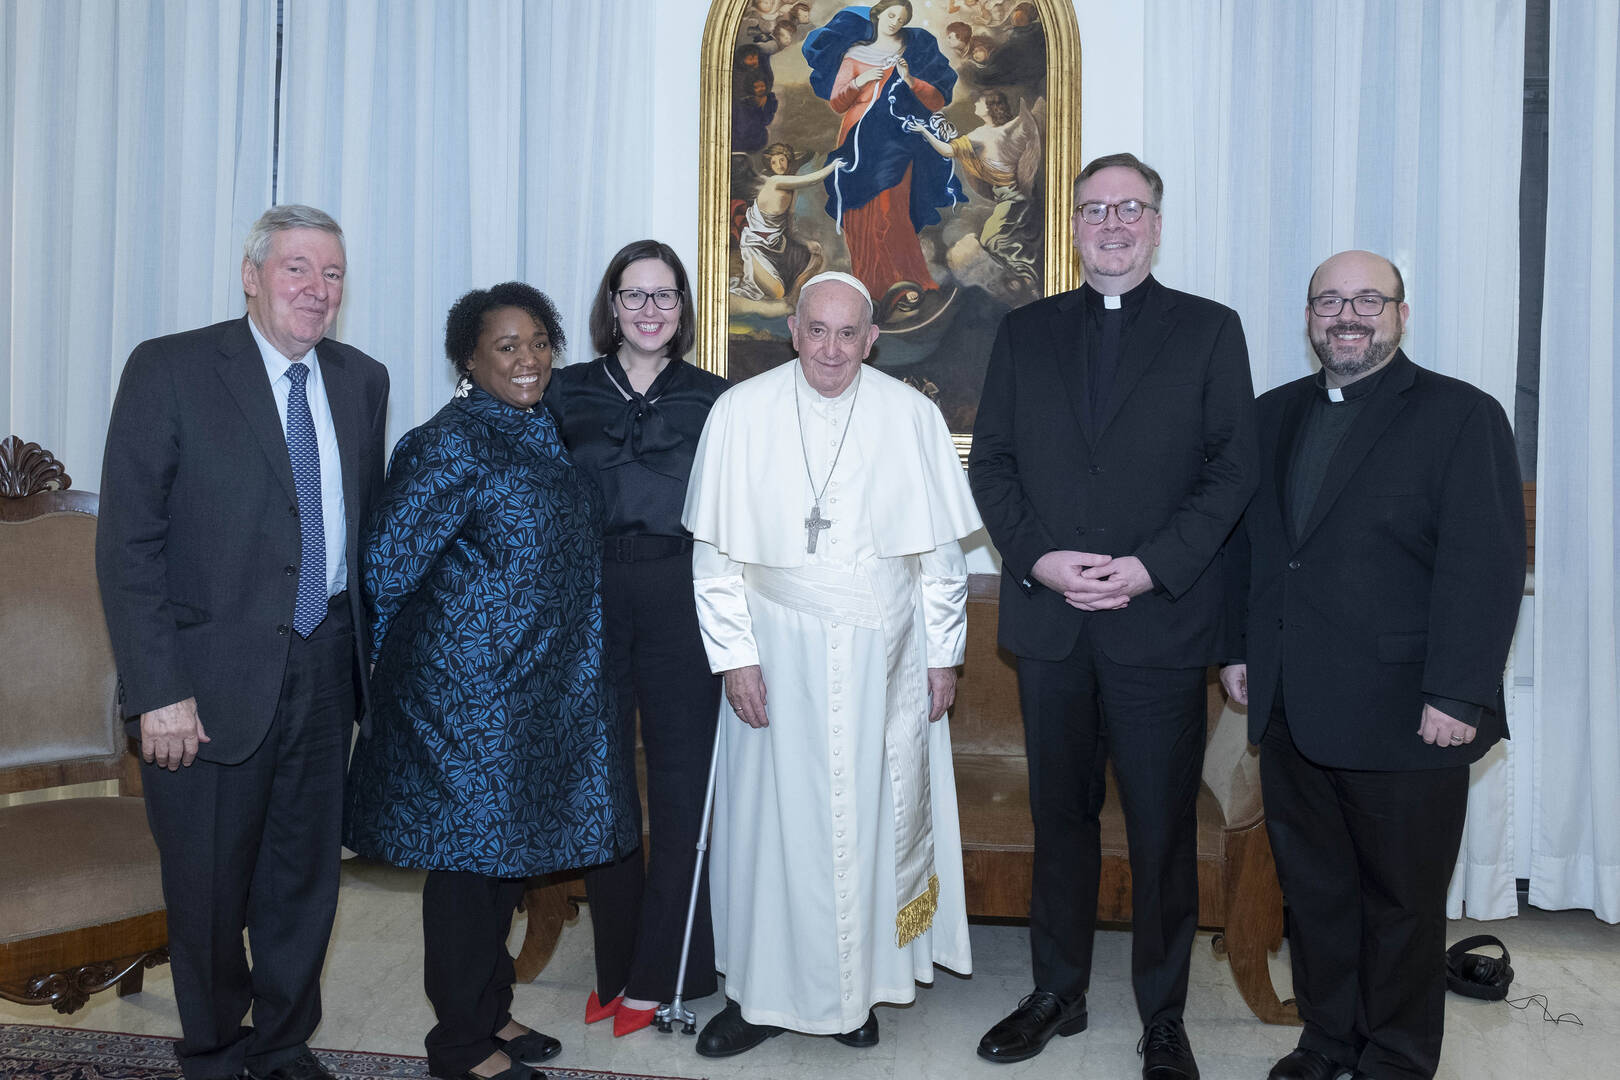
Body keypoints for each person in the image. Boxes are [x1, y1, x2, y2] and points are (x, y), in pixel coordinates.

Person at [967, 153, 1257, 1079]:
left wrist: (1147, 568)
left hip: (1156, 623)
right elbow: (995, 465)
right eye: (1096, 209)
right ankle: (1059, 991)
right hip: (1053, 624)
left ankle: (1163, 1016)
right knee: (1061, 816)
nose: (1114, 223)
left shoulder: (1212, 332)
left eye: (1131, 208)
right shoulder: (1025, 331)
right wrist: (1042, 560)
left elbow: (1231, 471)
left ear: (1159, 224)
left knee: (1163, 826)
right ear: (1075, 226)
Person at [95, 205, 389, 1080]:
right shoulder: (172, 369)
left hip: (326, 663)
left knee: (305, 880)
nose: (317, 289)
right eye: (298, 269)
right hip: (204, 679)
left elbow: (358, 531)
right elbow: (127, 545)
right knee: (211, 887)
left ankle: (284, 1042)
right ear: (252, 275)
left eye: (332, 274)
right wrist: (157, 688)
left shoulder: (361, 379)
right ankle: (216, 1050)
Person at [1221, 251, 1524, 1080]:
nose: (1346, 315)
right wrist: (1240, 649)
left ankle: (1394, 1058)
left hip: (1409, 709)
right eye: (1329, 301)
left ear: (1400, 313)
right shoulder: (1273, 412)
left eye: (1367, 300)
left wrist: (1458, 692)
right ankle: (1327, 1041)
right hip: (1292, 710)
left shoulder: (1462, 416)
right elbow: (1256, 551)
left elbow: (1486, 566)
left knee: (1401, 905)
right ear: (1309, 316)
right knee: (1317, 898)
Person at [682, 271, 982, 1057]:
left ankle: (861, 989)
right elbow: (714, 559)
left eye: (850, 334)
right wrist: (735, 658)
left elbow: (940, 557)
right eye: (818, 330)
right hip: (776, 653)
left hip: (887, 654)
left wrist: (943, 657)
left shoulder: (911, 416)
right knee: (770, 828)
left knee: (872, 823)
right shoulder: (740, 413)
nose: (832, 349)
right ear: (793, 328)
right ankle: (761, 996)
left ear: (873, 338)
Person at [344, 283, 637, 1080]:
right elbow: (385, 566)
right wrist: (420, 678)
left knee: (505, 862)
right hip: (467, 697)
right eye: (506, 345)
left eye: (539, 341)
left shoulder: (537, 428)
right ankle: (460, 1045)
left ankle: (491, 1011)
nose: (528, 358)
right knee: (470, 869)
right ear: (468, 360)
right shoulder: (450, 442)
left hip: (531, 692)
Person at [543, 241, 730, 1037]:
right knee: (602, 780)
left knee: (685, 784)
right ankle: (617, 965)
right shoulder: (561, 390)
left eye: (665, 297)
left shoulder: (719, 399)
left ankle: (672, 968)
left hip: (682, 591)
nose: (650, 311)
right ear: (610, 305)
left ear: (683, 308)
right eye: (634, 296)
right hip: (587, 596)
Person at [802, 1, 965, 305]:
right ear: (878, 15)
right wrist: (860, 80)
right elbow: (838, 102)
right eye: (891, 15)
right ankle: (872, 286)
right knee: (859, 212)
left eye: (901, 18)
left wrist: (910, 80)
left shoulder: (912, 52)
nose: (895, 22)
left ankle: (908, 280)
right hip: (859, 139)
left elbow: (936, 100)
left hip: (898, 140)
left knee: (893, 208)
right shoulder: (854, 54)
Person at [730, 144, 845, 310]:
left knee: (816, 256)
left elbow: (790, 230)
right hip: (757, 246)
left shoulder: (791, 191)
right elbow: (810, 180)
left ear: (788, 161)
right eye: (774, 162)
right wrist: (832, 167)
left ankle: (796, 296)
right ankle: (786, 295)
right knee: (777, 293)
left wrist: (807, 242)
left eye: (782, 160)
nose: (779, 165)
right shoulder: (775, 181)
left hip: (778, 244)